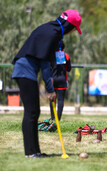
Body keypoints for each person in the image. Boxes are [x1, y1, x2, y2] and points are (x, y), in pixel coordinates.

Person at [12, 9, 82, 158]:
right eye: (74, 29)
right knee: (31, 112)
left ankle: (35, 151)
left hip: (26, 70)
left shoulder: (51, 29)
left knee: (34, 112)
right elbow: (44, 64)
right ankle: (30, 153)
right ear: (69, 26)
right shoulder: (52, 34)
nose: (72, 33)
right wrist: (50, 90)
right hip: (25, 71)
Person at [49, 50, 72, 121]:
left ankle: (53, 117)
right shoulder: (66, 56)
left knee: (52, 99)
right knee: (60, 100)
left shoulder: (51, 55)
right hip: (62, 79)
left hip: (53, 79)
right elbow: (69, 69)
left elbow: (48, 67)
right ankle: (58, 119)